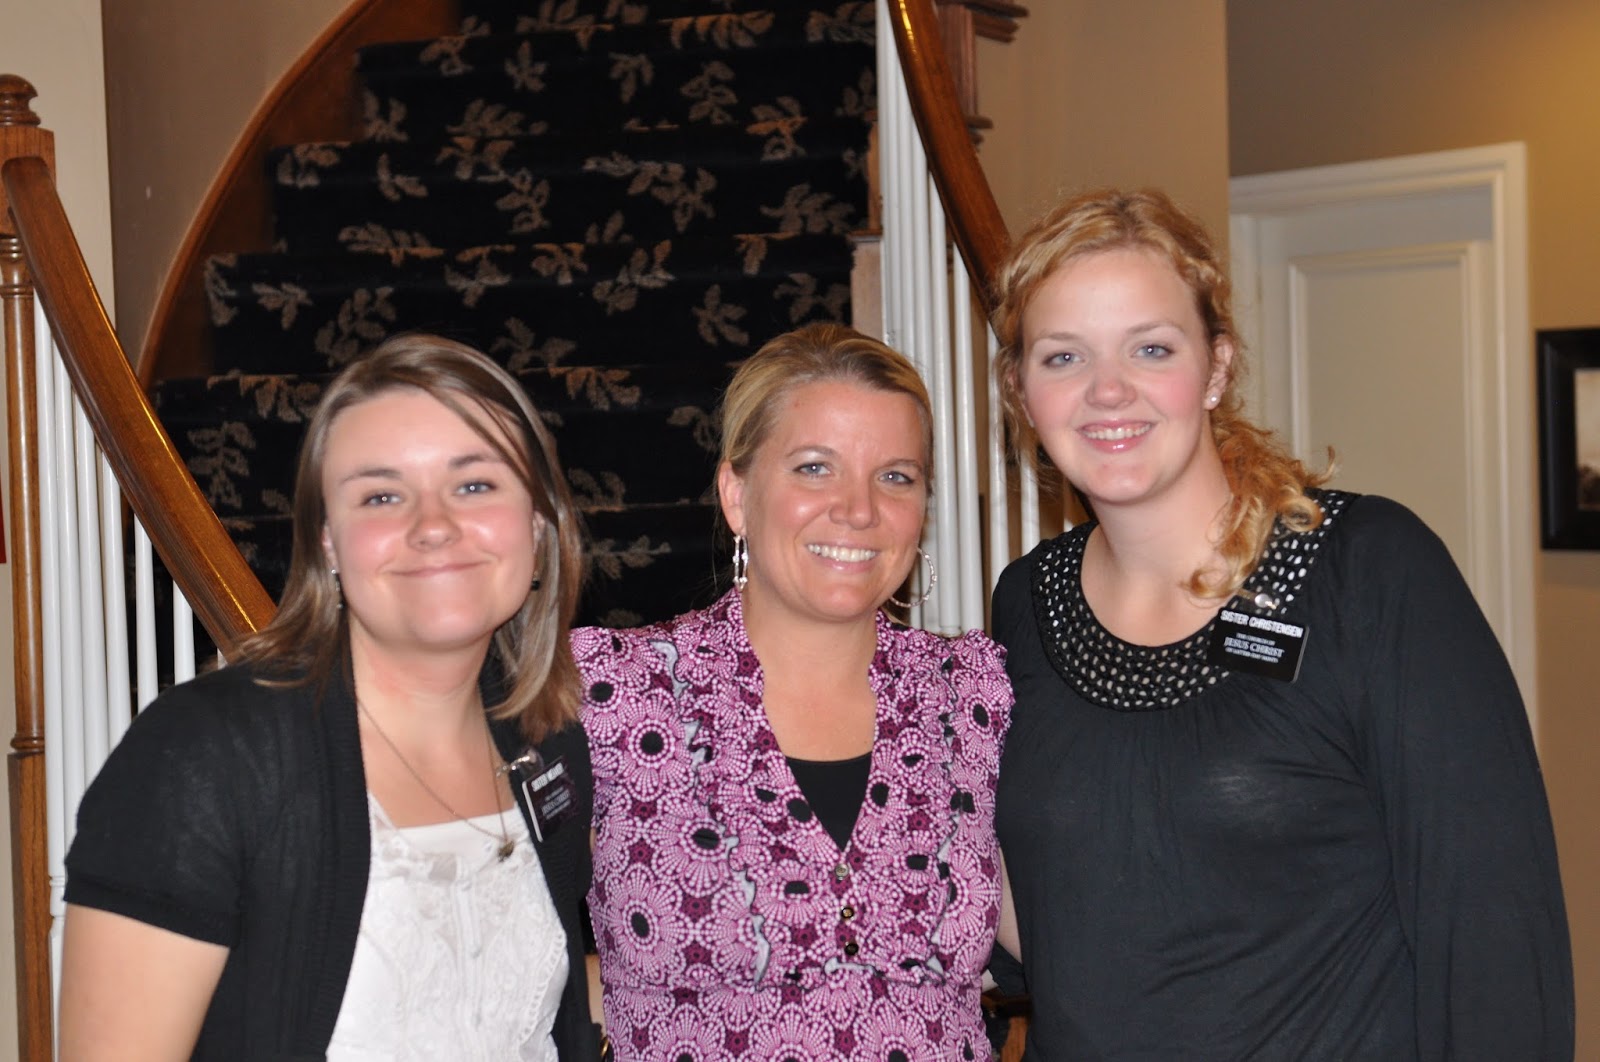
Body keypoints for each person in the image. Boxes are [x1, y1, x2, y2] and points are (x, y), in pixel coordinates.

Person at [987, 187, 1574, 1059]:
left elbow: (1494, 926)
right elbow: (1054, 919)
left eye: (1152, 348)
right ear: (1021, 390)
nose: (1107, 391)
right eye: (1063, 356)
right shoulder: (1027, 604)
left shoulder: (1368, 570)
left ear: (1217, 368)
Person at [60, 334, 600, 1060]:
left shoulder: (546, 739)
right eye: (381, 496)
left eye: (474, 485)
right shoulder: (204, 757)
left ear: (538, 522)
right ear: (328, 545)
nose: (433, 526)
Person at [571, 322, 1014, 1061]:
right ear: (737, 495)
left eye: (896, 477)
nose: (859, 509)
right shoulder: (615, 692)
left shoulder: (975, 694)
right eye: (815, 468)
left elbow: (1073, 935)